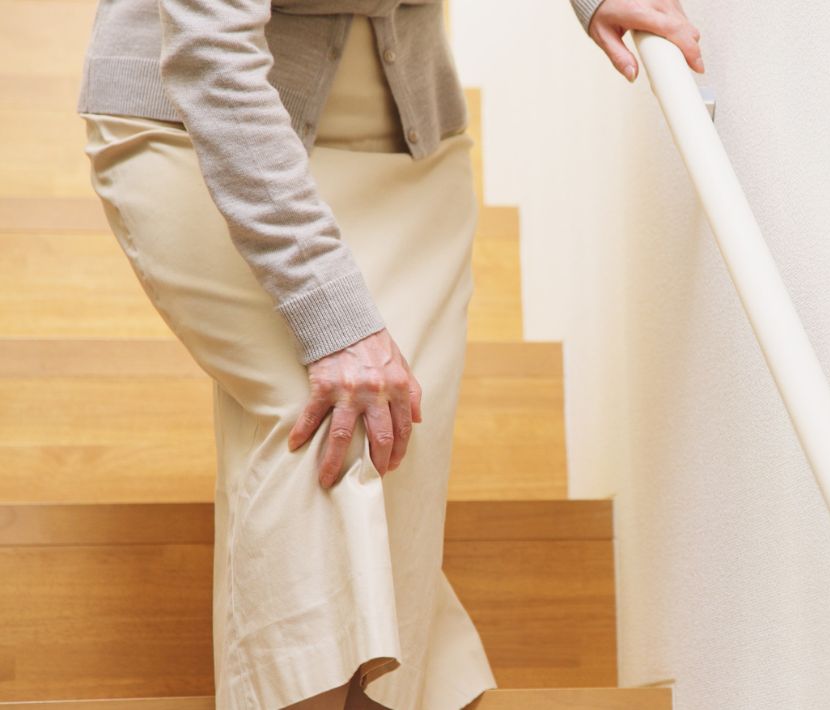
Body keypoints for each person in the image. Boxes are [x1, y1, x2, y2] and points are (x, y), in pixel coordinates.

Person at [75, 0, 702, 707]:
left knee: (396, 454)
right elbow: (210, 53)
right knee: (322, 435)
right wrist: (333, 318)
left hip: (410, 140)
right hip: (196, 121)